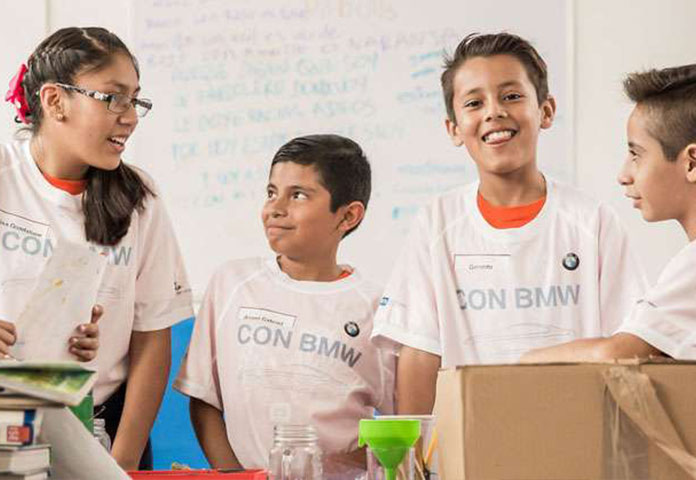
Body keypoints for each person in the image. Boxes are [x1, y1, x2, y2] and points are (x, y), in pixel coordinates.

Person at [370, 32, 647, 414]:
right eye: (473, 102)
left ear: (546, 111)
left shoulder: (592, 223)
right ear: (453, 128)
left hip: (576, 445)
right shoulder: (436, 224)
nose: (494, 112)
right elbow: (419, 353)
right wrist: (418, 464)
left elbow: (629, 347)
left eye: (512, 96)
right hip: (468, 453)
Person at [1, 27, 193, 470]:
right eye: (113, 98)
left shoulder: (140, 196)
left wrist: (119, 463)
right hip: (7, 425)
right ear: (54, 101)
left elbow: (152, 337)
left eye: (135, 100)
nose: (130, 116)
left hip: (100, 428)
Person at [174, 134, 394, 476]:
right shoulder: (233, 284)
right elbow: (204, 399)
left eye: (299, 195)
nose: (275, 208)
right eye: (271, 192)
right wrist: (236, 476)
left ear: (348, 216)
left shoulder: (378, 309)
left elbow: (404, 426)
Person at [522, 61, 696, 362]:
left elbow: (617, 354)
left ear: (692, 163)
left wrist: (524, 360)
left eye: (636, 155)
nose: (624, 174)